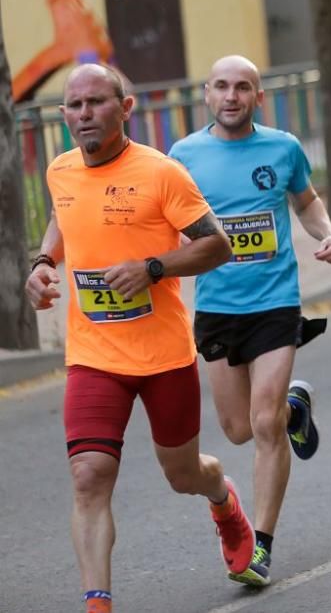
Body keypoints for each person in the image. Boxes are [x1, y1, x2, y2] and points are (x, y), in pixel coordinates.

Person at [23, 64, 254, 613]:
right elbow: (63, 216)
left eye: (96, 103)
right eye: (74, 106)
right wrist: (41, 261)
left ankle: (222, 500)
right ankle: (97, 603)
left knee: (183, 475)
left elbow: (218, 246)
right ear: (63, 116)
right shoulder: (60, 171)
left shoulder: (161, 173)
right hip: (93, 355)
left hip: (162, 356)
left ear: (125, 109)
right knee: (89, 475)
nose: (84, 115)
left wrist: (152, 266)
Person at [168, 55, 331, 587]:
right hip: (219, 308)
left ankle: (261, 545)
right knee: (239, 428)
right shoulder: (183, 156)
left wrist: (329, 234)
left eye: (243, 87)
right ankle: (295, 403)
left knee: (263, 425)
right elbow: (171, 223)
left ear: (258, 97)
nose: (232, 96)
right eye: (222, 86)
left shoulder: (282, 148)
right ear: (207, 94)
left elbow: (307, 203)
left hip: (274, 301)